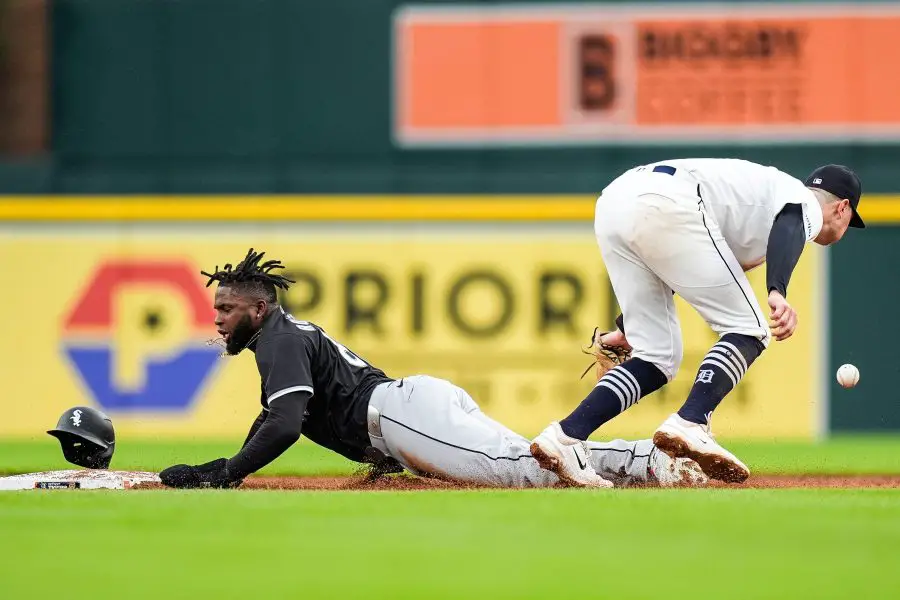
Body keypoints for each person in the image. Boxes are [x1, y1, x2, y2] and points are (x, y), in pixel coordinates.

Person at [158, 249, 708, 490]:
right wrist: (226, 464)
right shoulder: (281, 340)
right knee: (525, 460)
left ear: (259, 308)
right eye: (217, 310)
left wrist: (228, 473)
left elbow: (283, 425)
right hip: (408, 413)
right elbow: (274, 417)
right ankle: (648, 460)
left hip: (398, 417)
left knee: (521, 473)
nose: (219, 319)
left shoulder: (278, 339)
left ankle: (646, 456)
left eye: (227, 309)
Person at [529, 161, 865, 487]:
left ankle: (564, 438)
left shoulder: (754, 209)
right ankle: (690, 422)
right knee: (750, 329)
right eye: (851, 220)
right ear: (843, 208)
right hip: (672, 202)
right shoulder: (799, 199)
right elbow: (791, 223)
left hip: (616, 202)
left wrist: (629, 325)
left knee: (656, 355)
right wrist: (776, 290)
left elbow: (680, 266)